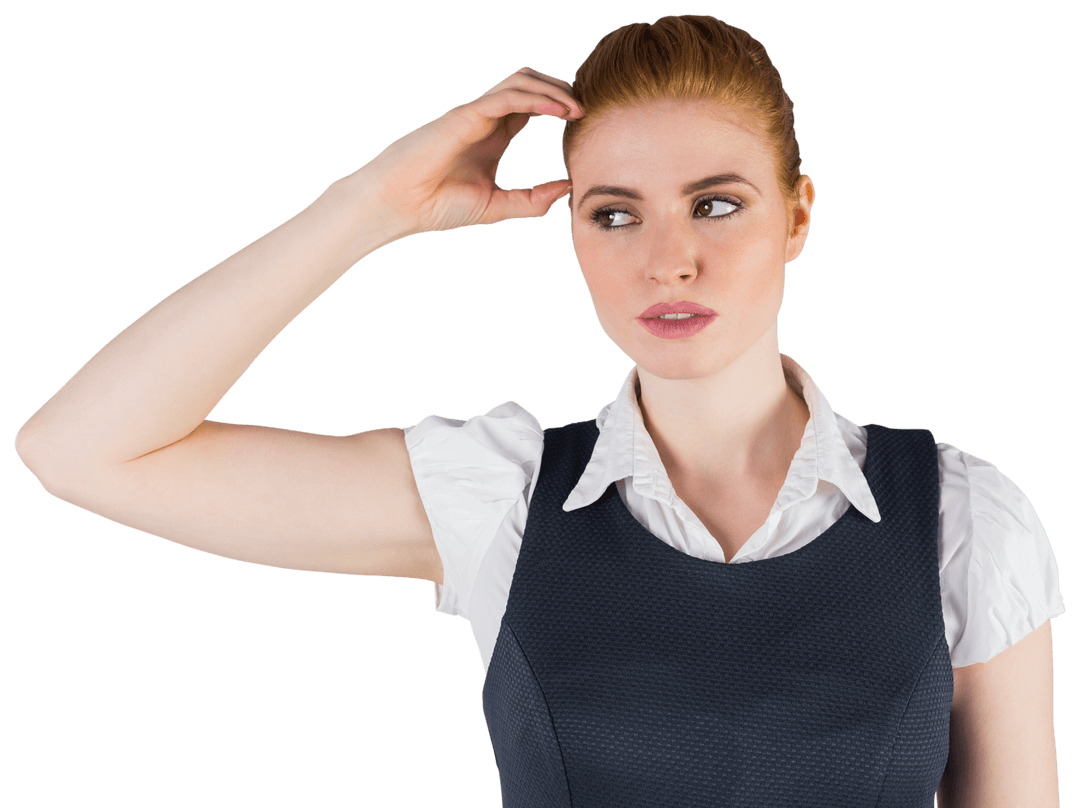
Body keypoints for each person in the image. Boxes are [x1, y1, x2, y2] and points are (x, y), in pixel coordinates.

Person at [13, 14, 1063, 808]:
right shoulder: (502, 501)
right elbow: (80, 451)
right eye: (615, 213)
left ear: (796, 216)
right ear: (573, 234)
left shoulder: (962, 519)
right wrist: (367, 208)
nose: (667, 258)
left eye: (715, 202)